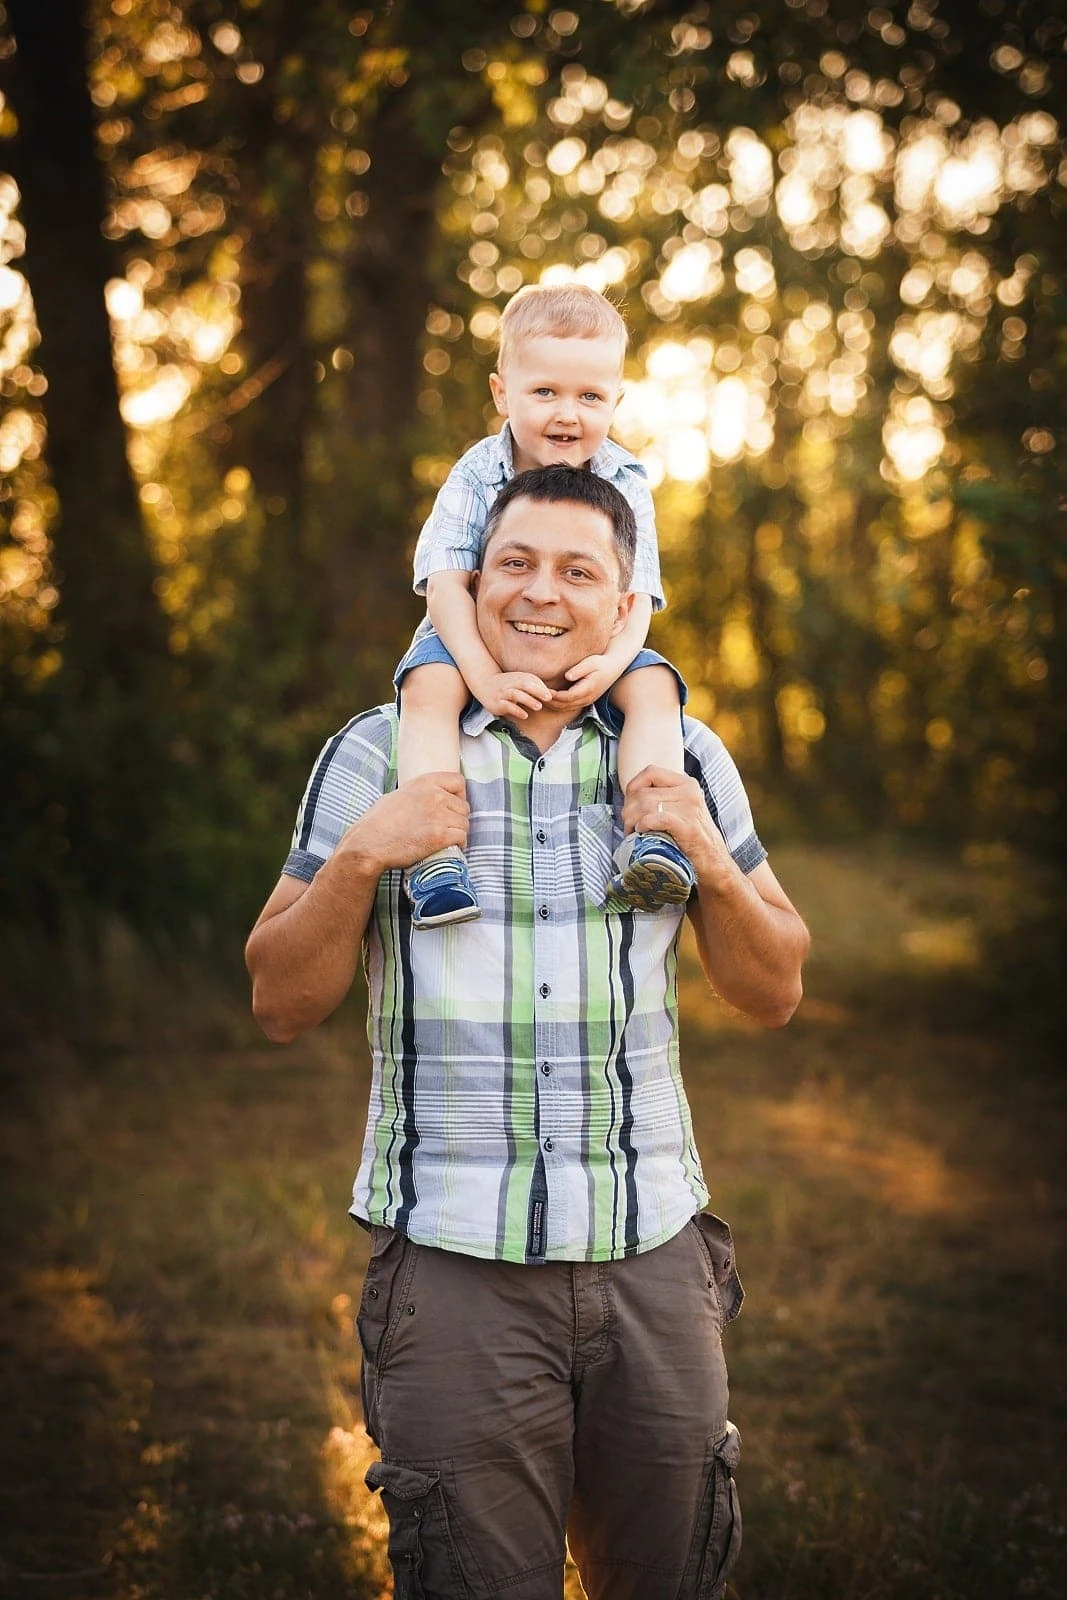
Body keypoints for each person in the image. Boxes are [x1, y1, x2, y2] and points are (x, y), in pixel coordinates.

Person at [246, 465, 809, 1600]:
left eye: (575, 570)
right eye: (513, 562)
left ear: (623, 601)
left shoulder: (679, 756)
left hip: (651, 1254)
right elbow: (278, 998)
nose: (538, 592)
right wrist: (363, 856)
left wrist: (703, 854)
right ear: (469, 579)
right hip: (453, 1264)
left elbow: (773, 987)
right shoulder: (381, 749)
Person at [396, 282, 694, 930]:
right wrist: (483, 675)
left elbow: (635, 595)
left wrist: (614, 662)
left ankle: (655, 838)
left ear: (615, 399)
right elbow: (446, 584)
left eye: (589, 396)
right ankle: (435, 857)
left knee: (655, 691)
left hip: (594, 639)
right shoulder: (477, 473)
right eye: (545, 393)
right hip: (469, 635)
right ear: (503, 394)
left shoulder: (624, 479)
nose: (567, 414)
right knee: (427, 686)